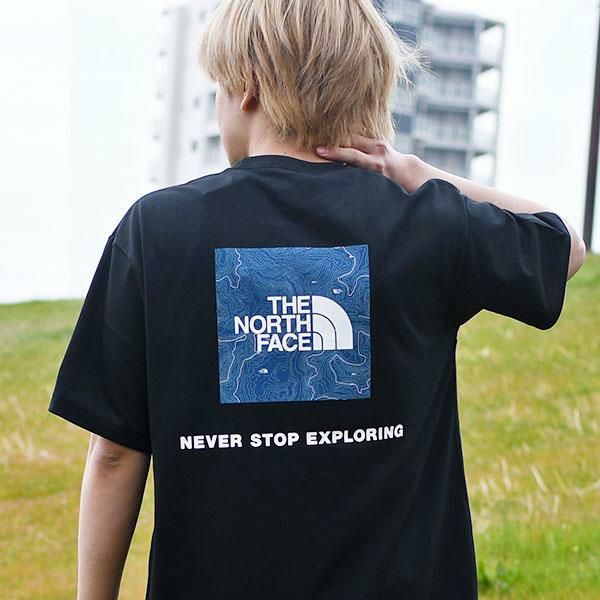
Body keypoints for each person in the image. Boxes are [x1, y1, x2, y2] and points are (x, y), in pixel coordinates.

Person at [47, 0, 587, 598]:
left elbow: (116, 456)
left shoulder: (158, 230)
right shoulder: (423, 223)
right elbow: (564, 246)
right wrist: (416, 174)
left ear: (248, 83)